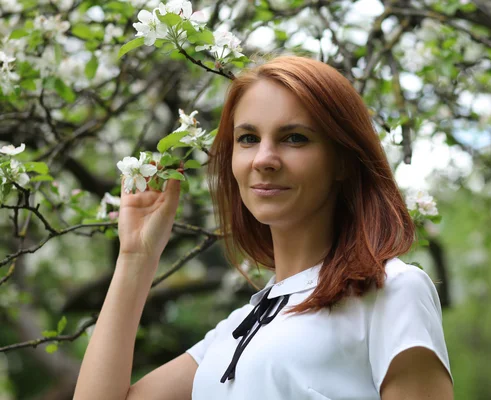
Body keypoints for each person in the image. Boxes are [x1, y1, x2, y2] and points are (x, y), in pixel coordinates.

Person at [73, 55, 453, 400]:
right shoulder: (236, 330)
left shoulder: (392, 292)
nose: (264, 159)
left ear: (342, 162)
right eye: (248, 138)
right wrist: (136, 257)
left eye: (294, 138)